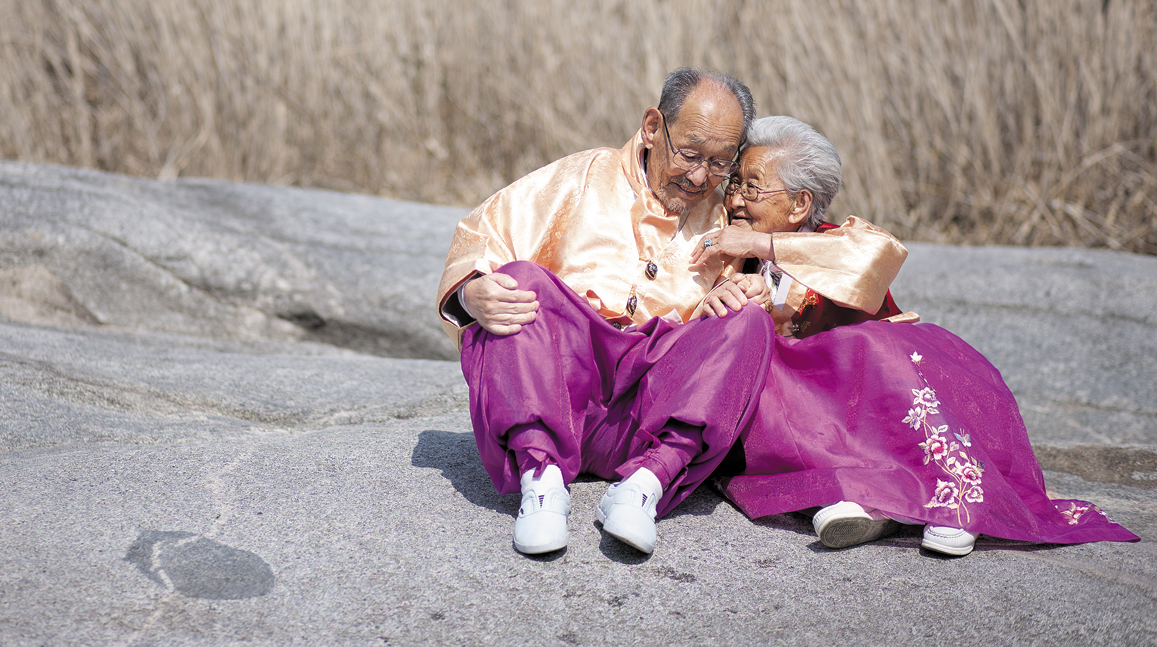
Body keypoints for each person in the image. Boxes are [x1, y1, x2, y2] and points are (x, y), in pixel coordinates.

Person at [691, 115, 1138, 555]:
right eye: (734, 185)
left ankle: (953, 499)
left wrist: (762, 248)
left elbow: (878, 255)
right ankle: (872, 504)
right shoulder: (728, 255)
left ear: (799, 205)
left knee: (870, 346)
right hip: (804, 417)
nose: (734, 201)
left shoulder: (834, 243)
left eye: (751, 188)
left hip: (869, 400)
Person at [436, 67, 774, 556]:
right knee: (519, 281)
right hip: (557, 396)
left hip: (645, 423)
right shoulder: (582, 177)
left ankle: (643, 487)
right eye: (690, 154)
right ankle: (542, 480)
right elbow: (479, 236)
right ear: (654, 126)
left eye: (721, 164)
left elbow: (719, 348)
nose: (701, 177)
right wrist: (471, 294)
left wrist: (731, 300)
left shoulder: (726, 225)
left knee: (749, 322)